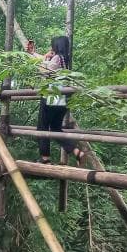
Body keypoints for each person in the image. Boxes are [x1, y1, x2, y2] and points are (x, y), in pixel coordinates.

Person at [28, 36, 85, 165]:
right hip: (63, 97)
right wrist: (36, 55)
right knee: (55, 129)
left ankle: (45, 157)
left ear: (56, 46)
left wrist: (42, 58)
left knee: (42, 127)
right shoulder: (66, 60)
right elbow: (47, 63)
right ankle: (76, 152)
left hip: (52, 94)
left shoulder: (57, 58)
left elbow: (45, 70)